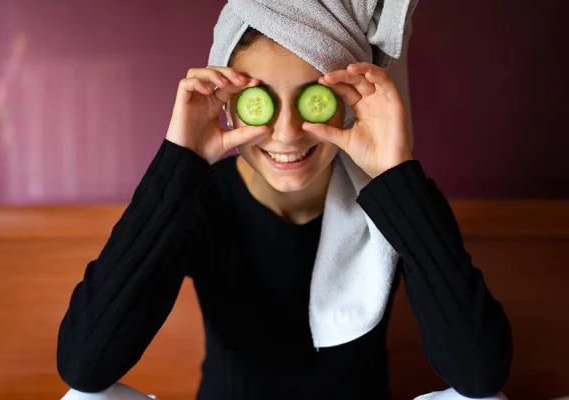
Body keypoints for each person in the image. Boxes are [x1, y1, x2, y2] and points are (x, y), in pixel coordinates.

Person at [57, 2, 512, 399]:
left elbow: (479, 376)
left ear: (349, 104)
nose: (288, 132)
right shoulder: (200, 200)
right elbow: (84, 366)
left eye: (313, 98)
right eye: (263, 102)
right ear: (230, 106)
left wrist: (395, 175)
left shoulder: (398, 199)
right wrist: (180, 161)